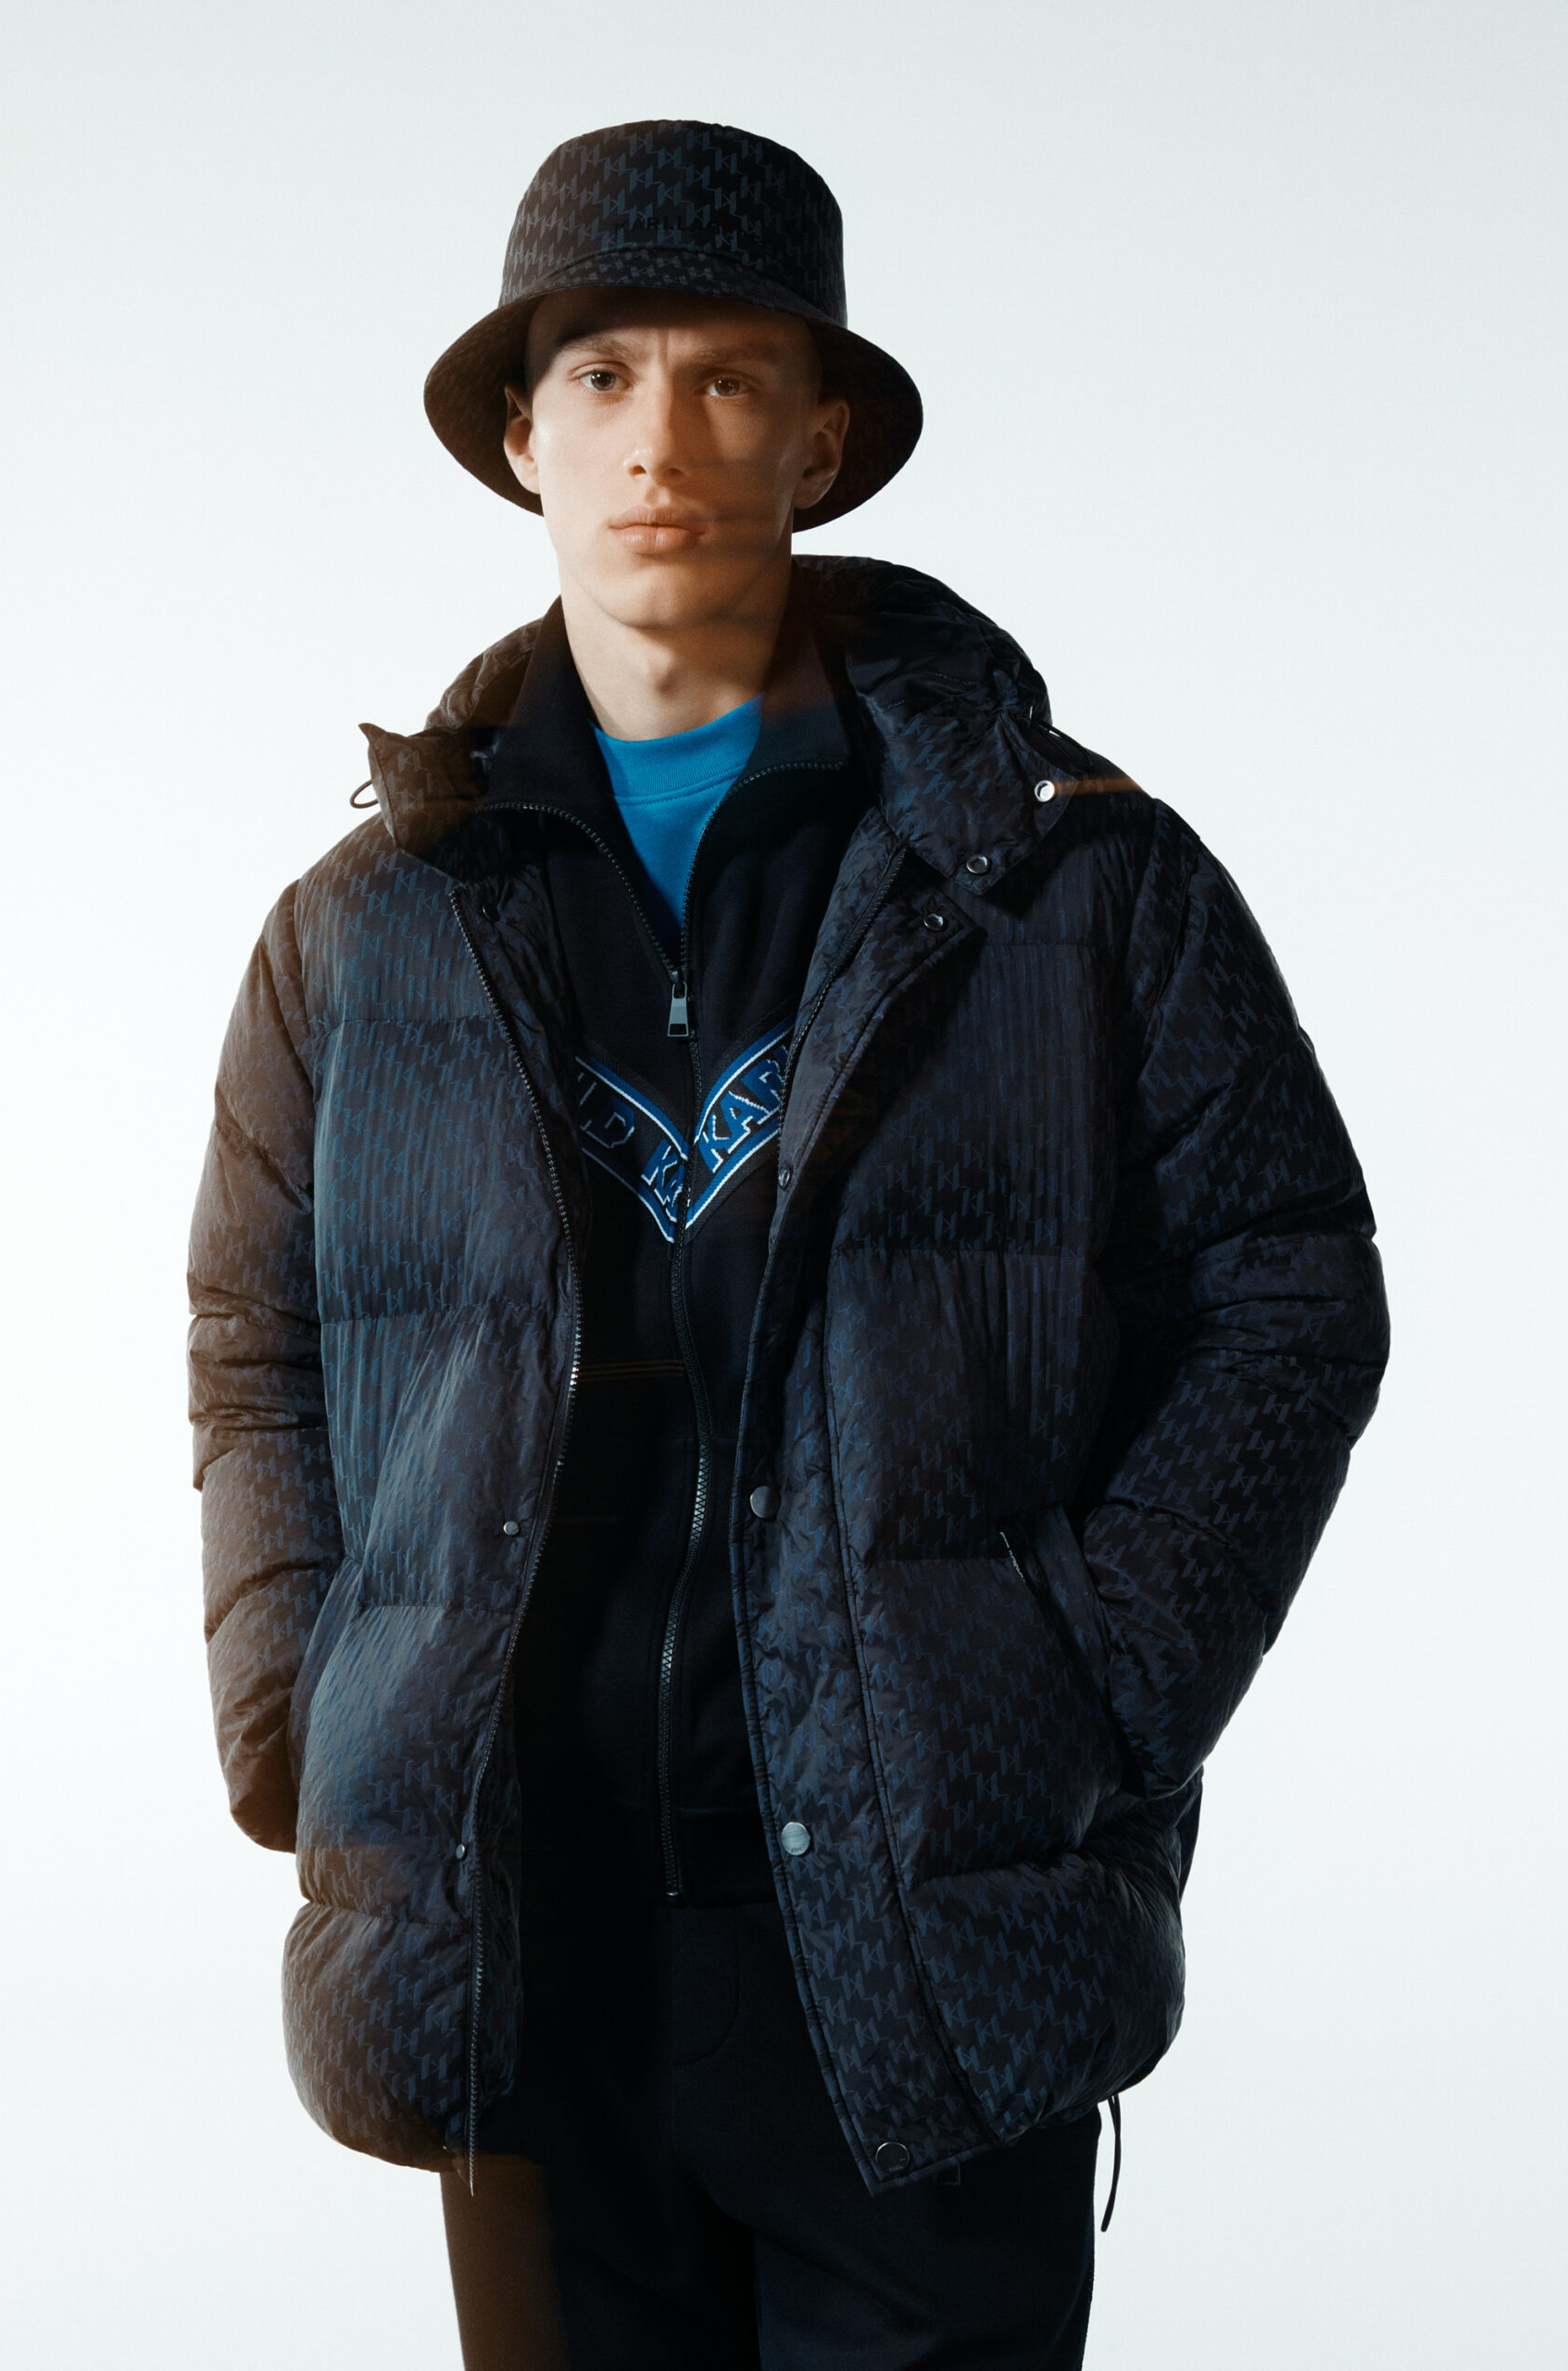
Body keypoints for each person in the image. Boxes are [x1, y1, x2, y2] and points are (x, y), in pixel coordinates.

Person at [188, 119, 1389, 2370]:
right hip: (519, 1945)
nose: (663, 439)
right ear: (520, 435)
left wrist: (1088, 1682)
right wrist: (298, 1708)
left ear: (820, 439)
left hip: (916, 1942)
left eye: (731, 378)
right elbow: (255, 1334)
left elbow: (1289, 1286)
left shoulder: (1069, 881)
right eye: (603, 375)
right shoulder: (363, 932)